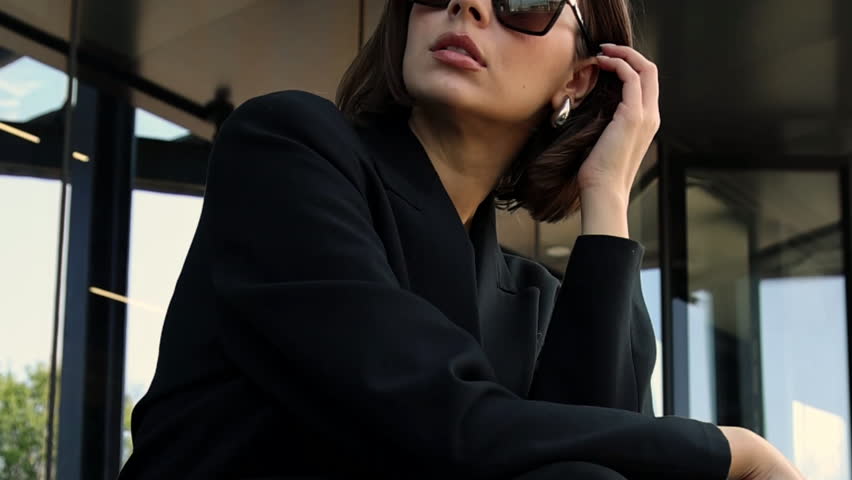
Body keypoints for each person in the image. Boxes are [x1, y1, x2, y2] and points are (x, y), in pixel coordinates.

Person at [118, 1, 806, 478]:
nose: (468, 5)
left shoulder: (533, 300)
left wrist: (607, 195)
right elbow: (445, 424)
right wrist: (728, 450)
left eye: (524, 0)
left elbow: (599, 456)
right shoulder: (287, 148)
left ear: (580, 76)